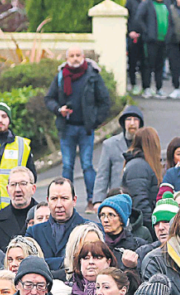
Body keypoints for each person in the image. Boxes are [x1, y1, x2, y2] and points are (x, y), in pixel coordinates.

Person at [45, 47, 111, 212]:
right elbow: (49, 98)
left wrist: (95, 121)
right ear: (67, 58)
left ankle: (92, 200)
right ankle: (65, 202)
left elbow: (104, 100)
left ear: (84, 57)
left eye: (78, 55)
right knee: (67, 166)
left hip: (85, 129)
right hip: (66, 128)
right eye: (71, 56)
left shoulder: (92, 75)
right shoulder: (61, 75)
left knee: (87, 165)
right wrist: (59, 109)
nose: (75, 59)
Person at [95, 106, 144, 204]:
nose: (132, 123)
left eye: (135, 120)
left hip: (139, 198)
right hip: (117, 197)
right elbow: (102, 175)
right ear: (123, 123)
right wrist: (98, 200)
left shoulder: (145, 144)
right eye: (128, 119)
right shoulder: (110, 144)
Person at [0, 166, 37, 253]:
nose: (17, 189)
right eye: (13, 185)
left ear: (33, 189)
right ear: (7, 189)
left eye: (23, 184)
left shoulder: (45, 216)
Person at [122, 127, 165, 228]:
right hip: (144, 226)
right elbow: (140, 201)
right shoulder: (138, 167)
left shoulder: (141, 165)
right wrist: (152, 226)